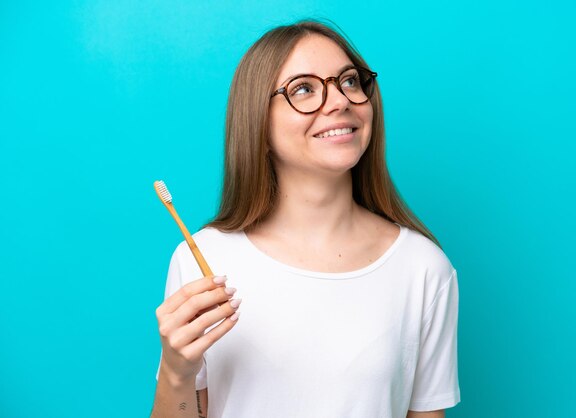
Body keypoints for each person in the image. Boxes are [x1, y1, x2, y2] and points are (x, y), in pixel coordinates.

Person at [151, 19, 460, 418]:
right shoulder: (202, 262)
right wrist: (177, 372)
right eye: (303, 89)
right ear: (258, 122)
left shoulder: (423, 268)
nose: (340, 101)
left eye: (349, 81)